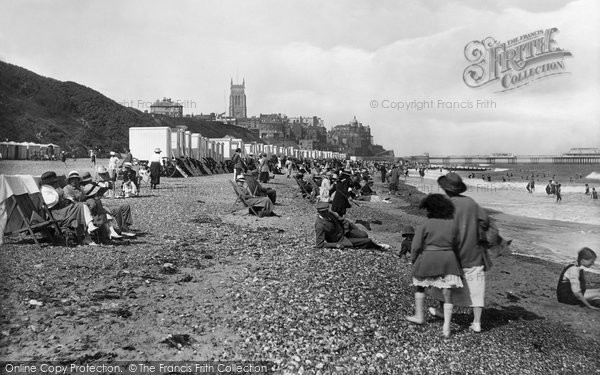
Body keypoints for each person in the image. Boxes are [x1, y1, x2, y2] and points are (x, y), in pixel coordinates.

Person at [429, 172, 490, 333]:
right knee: (476, 286)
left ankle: (443, 311)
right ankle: (477, 322)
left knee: (442, 283)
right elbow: (485, 221)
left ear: (445, 189)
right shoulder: (471, 202)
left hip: (452, 253)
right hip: (473, 252)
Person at [406, 194, 463, 337]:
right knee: (447, 291)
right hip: (449, 259)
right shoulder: (453, 224)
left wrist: (413, 259)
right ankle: (446, 327)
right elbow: (458, 245)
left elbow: (416, 246)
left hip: (429, 258)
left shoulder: (426, 224)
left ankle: (419, 316)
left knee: (420, 286)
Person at [39, 171, 98, 245]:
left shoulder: (53, 187)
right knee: (81, 206)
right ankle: (88, 233)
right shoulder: (45, 189)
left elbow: (65, 195)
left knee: (81, 206)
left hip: (64, 209)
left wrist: (67, 199)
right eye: (52, 180)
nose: (54, 182)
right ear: (47, 181)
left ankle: (89, 230)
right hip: (57, 212)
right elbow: (50, 202)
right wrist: (59, 196)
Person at [314, 202, 389, 250]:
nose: (327, 212)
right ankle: (379, 247)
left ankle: (362, 243)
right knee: (367, 241)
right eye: (324, 212)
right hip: (339, 240)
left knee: (364, 234)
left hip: (345, 232)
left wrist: (355, 228)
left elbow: (343, 220)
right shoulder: (320, 225)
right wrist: (335, 245)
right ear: (319, 212)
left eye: (327, 210)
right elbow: (319, 244)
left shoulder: (330, 214)